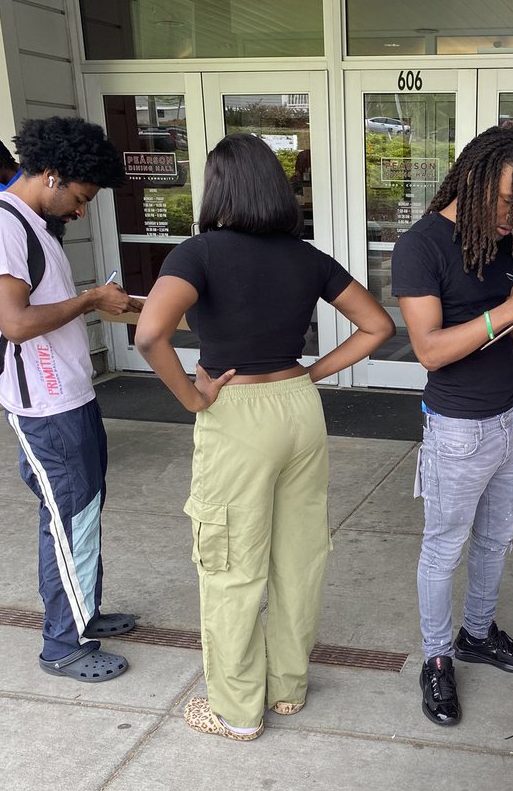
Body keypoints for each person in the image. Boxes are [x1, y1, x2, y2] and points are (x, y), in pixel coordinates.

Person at [135, 134, 394, 741]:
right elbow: (377, 324)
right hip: (299, 409)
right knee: (298, 556)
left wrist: (193, 397)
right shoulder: (306, 257)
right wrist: (312, 373)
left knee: (230, 563)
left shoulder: (197, 254)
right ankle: (287, 690)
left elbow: (150, 335)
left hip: (238, 414)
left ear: (218, 186)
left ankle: (235, 709)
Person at [391, 125, 513, 728]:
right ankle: (438, 657)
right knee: (444, 548)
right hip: (456, 428)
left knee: (497, 540)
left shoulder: (495, 242)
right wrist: (508, 308)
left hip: (508, 418)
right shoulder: (420, 246)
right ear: (472, 180)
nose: (511, 215)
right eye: (504, 201)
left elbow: (507, 336)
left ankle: (475, 633)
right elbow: (430, 350)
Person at [0, 117, 140, 680]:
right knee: (68, 521)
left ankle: (83, 613)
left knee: (82, 514)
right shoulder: (6, 225)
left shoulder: (33, 224)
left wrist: (109, 303)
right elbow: (15, 323)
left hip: (71, 399)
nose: (81, 211)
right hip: (45, 409)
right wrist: (89, 301)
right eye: (80, 198)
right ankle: (62, 644)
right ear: (52, 176)